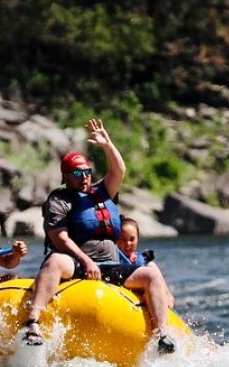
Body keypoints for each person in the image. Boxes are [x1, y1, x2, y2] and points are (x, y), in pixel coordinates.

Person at [21, 118, 176, 354]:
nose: (84, 177)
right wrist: (85, 260)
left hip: (111, 264)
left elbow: (119, 170)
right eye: (77, 173)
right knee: (54, 261)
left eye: (87, 172)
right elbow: (58, 237)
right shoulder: (59, 199)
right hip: (76, 264)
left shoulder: (103, 192)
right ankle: (33, 322)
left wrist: (107, 145)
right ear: (66, 176)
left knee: (151, 274)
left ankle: (162, 334)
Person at [117, 216, 175, 308]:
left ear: (138, 239)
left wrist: (167, 296)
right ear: (116, 240)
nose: (128, 243)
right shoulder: (114, 259)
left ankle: (164, 298)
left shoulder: (144, 260)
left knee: (151, 265)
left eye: (132, 239)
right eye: (123, 239)